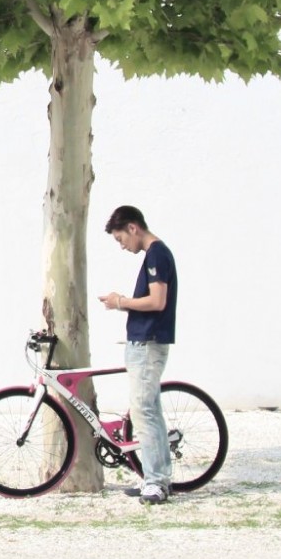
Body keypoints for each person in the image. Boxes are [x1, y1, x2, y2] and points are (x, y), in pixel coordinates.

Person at [98, 205, 177, 506]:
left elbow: (158, 301)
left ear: (133, 228)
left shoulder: (156, 254)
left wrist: (121, 302)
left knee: (144, 411)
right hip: (144, 342)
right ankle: (155, 478)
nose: (122, 246)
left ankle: (156, 482)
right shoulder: (156, 254)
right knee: (148, 411)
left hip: (148, 342)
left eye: (120, 239)